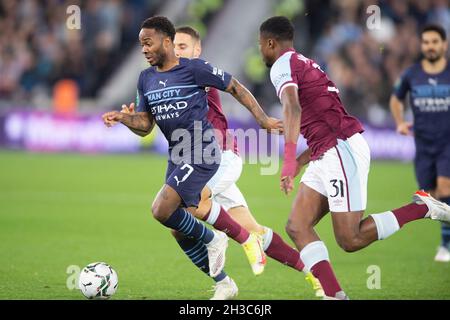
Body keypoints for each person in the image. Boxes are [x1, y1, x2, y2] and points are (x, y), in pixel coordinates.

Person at [258, 16, 450, 300]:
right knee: (297, 226)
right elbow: (323, 121)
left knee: (351, 239)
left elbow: (293, 107)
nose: (261, 50)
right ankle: (334, 295)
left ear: (270, 43)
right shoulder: (306, 64)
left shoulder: (282, 66)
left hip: (340, 150)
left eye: (261, 45)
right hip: (329, 150)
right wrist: (299, 162)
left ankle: (419, 207)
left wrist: (287, 159)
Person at [102, 16, 281, 298]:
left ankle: (216, 237)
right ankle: (224, 283)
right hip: (178, 156)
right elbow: (145, 125)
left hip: (203, 151)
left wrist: (263, 120)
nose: (144, 49)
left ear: (167, 42)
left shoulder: (194, 69)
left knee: (161, 210)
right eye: (141, 45)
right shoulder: (145, 78)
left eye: (148, 43)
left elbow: (235, 87)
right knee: (178, 228)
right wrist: (125, 118)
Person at [390, 24, 450, 263]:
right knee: (431, 197)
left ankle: (445, 246)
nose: (430, 46)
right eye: (426, 42)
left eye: (435, 42)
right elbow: (396, 99)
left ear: (443, 45)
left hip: (447, 141)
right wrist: (400, 122)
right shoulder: (411, 74)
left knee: (445, 188)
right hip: (423, 144)